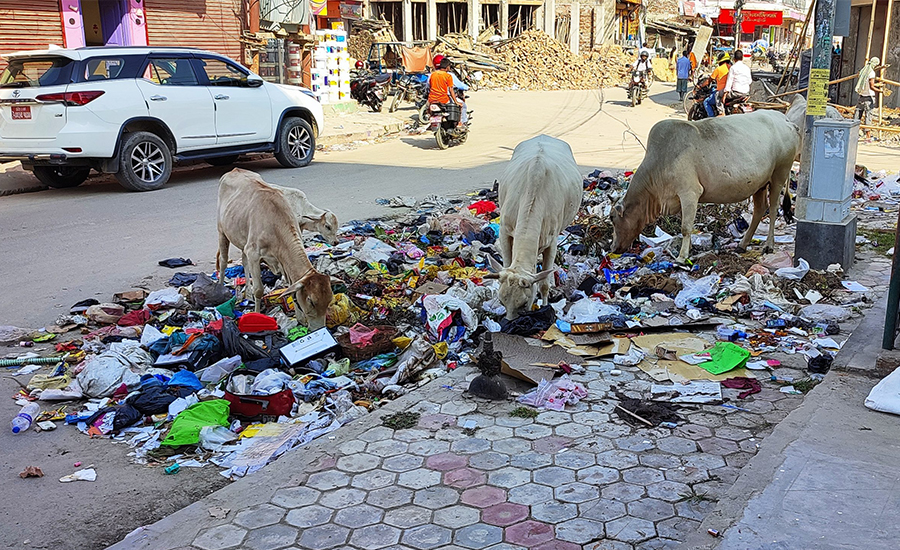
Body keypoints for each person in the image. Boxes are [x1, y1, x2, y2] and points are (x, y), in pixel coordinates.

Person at [428, 56, 465, 126]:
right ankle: (459, 123)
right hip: (443, 99)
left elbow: (429, 87)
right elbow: (451, 90)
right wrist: (456, 102)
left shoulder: (433, 75)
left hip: (432, 99)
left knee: (428, 108)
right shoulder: (448, 76)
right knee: (461, 106)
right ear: (447, 67)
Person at [855, 57, 882, 139]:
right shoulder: (871, 73)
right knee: (868, 116)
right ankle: (868, 137)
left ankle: (854, 133)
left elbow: (865, 83)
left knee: (857, 116)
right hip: (869, 97)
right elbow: (872, 86)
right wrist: (881, 91)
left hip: (861, 96)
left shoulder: (863, 71)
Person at [703, 52, 731, 118]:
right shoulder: (731, 68)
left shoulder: (718, 69)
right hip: (731, 91)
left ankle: (711, 118)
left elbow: (709, 80)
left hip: (722, 91)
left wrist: (701, 86)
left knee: (706, 102)